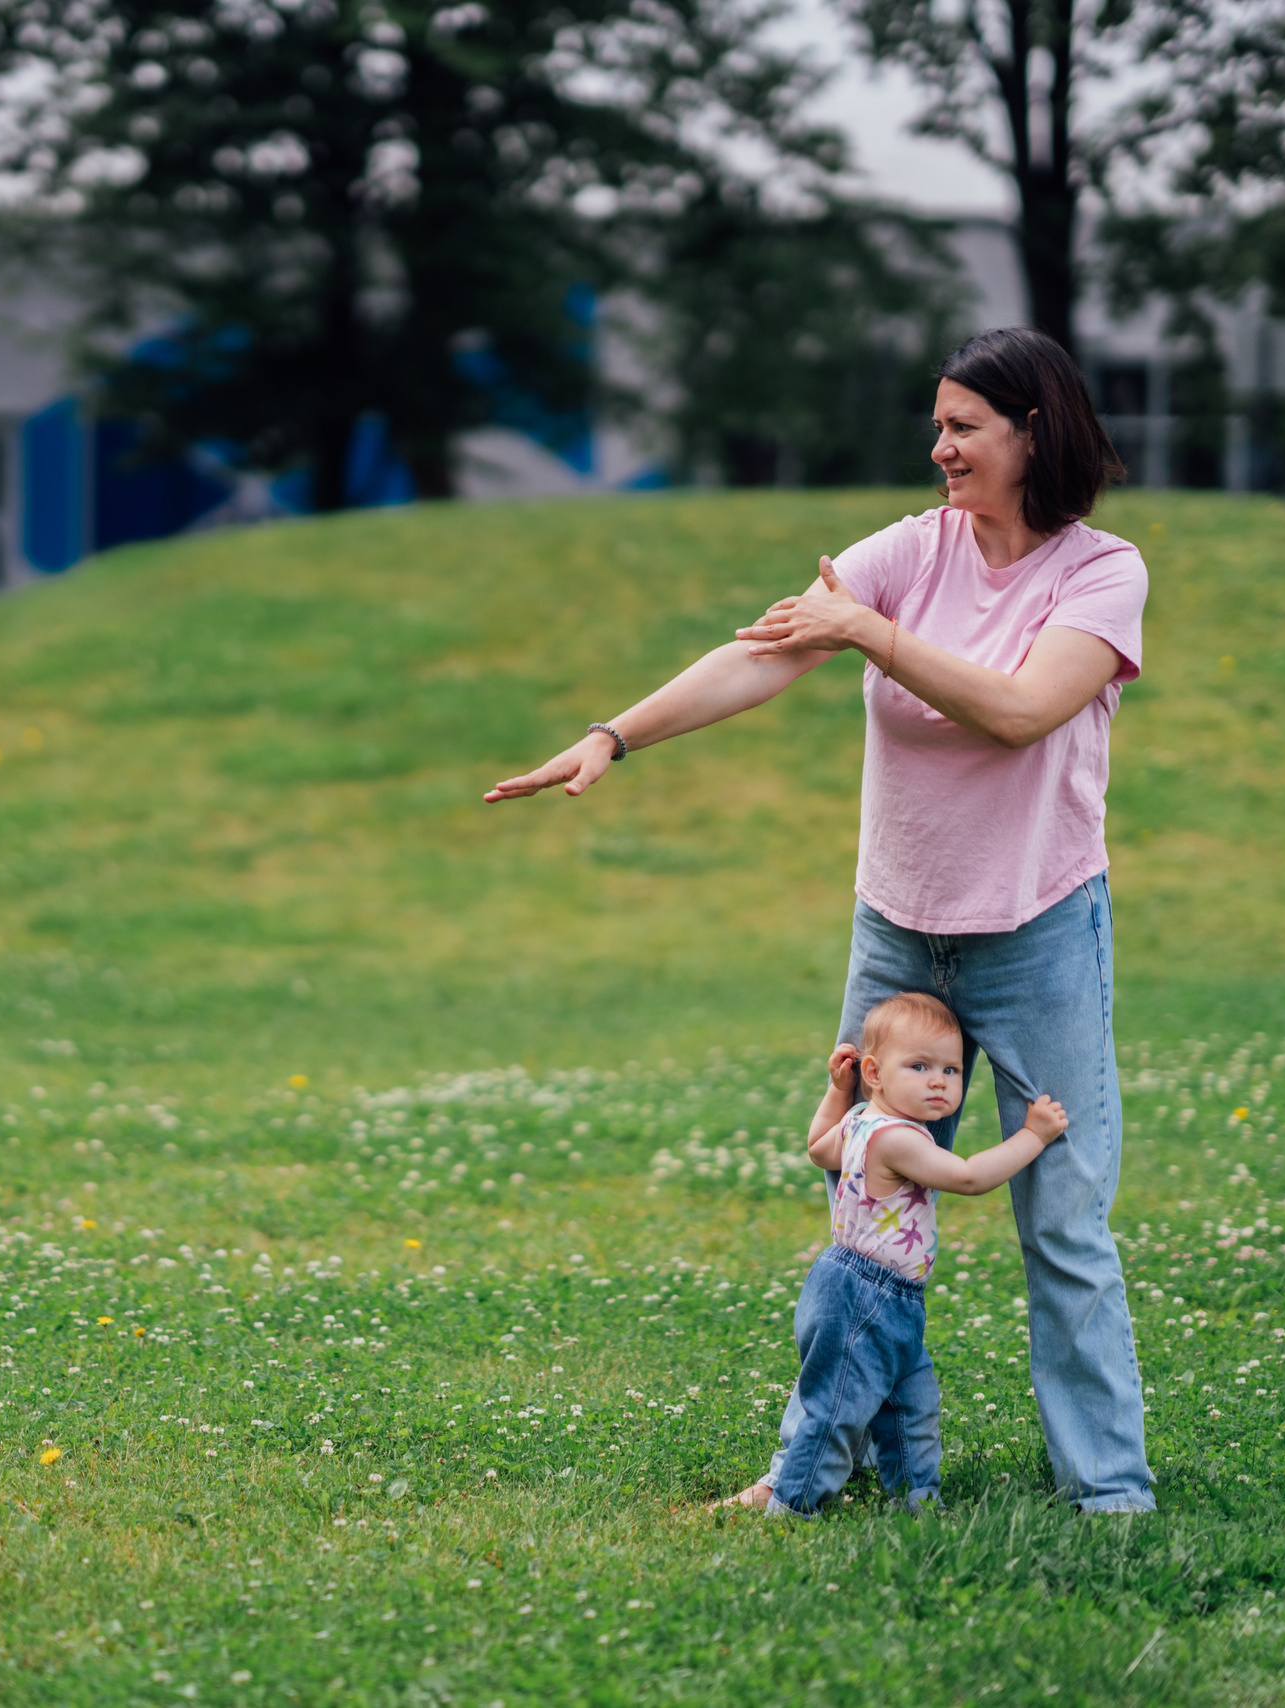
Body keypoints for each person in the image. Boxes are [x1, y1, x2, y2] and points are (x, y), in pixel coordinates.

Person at [486, 326, 1155, 1513]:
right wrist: (612, 735)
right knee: (860, 1216)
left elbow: (1018, 712)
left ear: (1032, 431)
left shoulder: (1100, 572)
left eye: (961, 425)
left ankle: (1107, 1491)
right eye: (937, 422)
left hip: (1040, 923)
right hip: (899, 930)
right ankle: (818, 1462)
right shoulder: (907, 551)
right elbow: (761, 654)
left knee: (1061, 1221)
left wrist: (871, 632)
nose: (937, 444)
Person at [713, 992, 1065, 1514]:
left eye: (950, 1068)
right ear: (874, 1072)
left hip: (887, 1296)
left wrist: (837, 1093)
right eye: (919, 1066)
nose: (939, 1081)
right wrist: (1032, 1136)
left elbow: (817, 1148)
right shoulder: (898, 1140)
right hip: (863, 1293)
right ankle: (790, 1506)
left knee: (911, 1404)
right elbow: (967, 1177)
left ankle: (917, 1501)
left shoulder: (858, 1120)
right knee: (836, 1408)